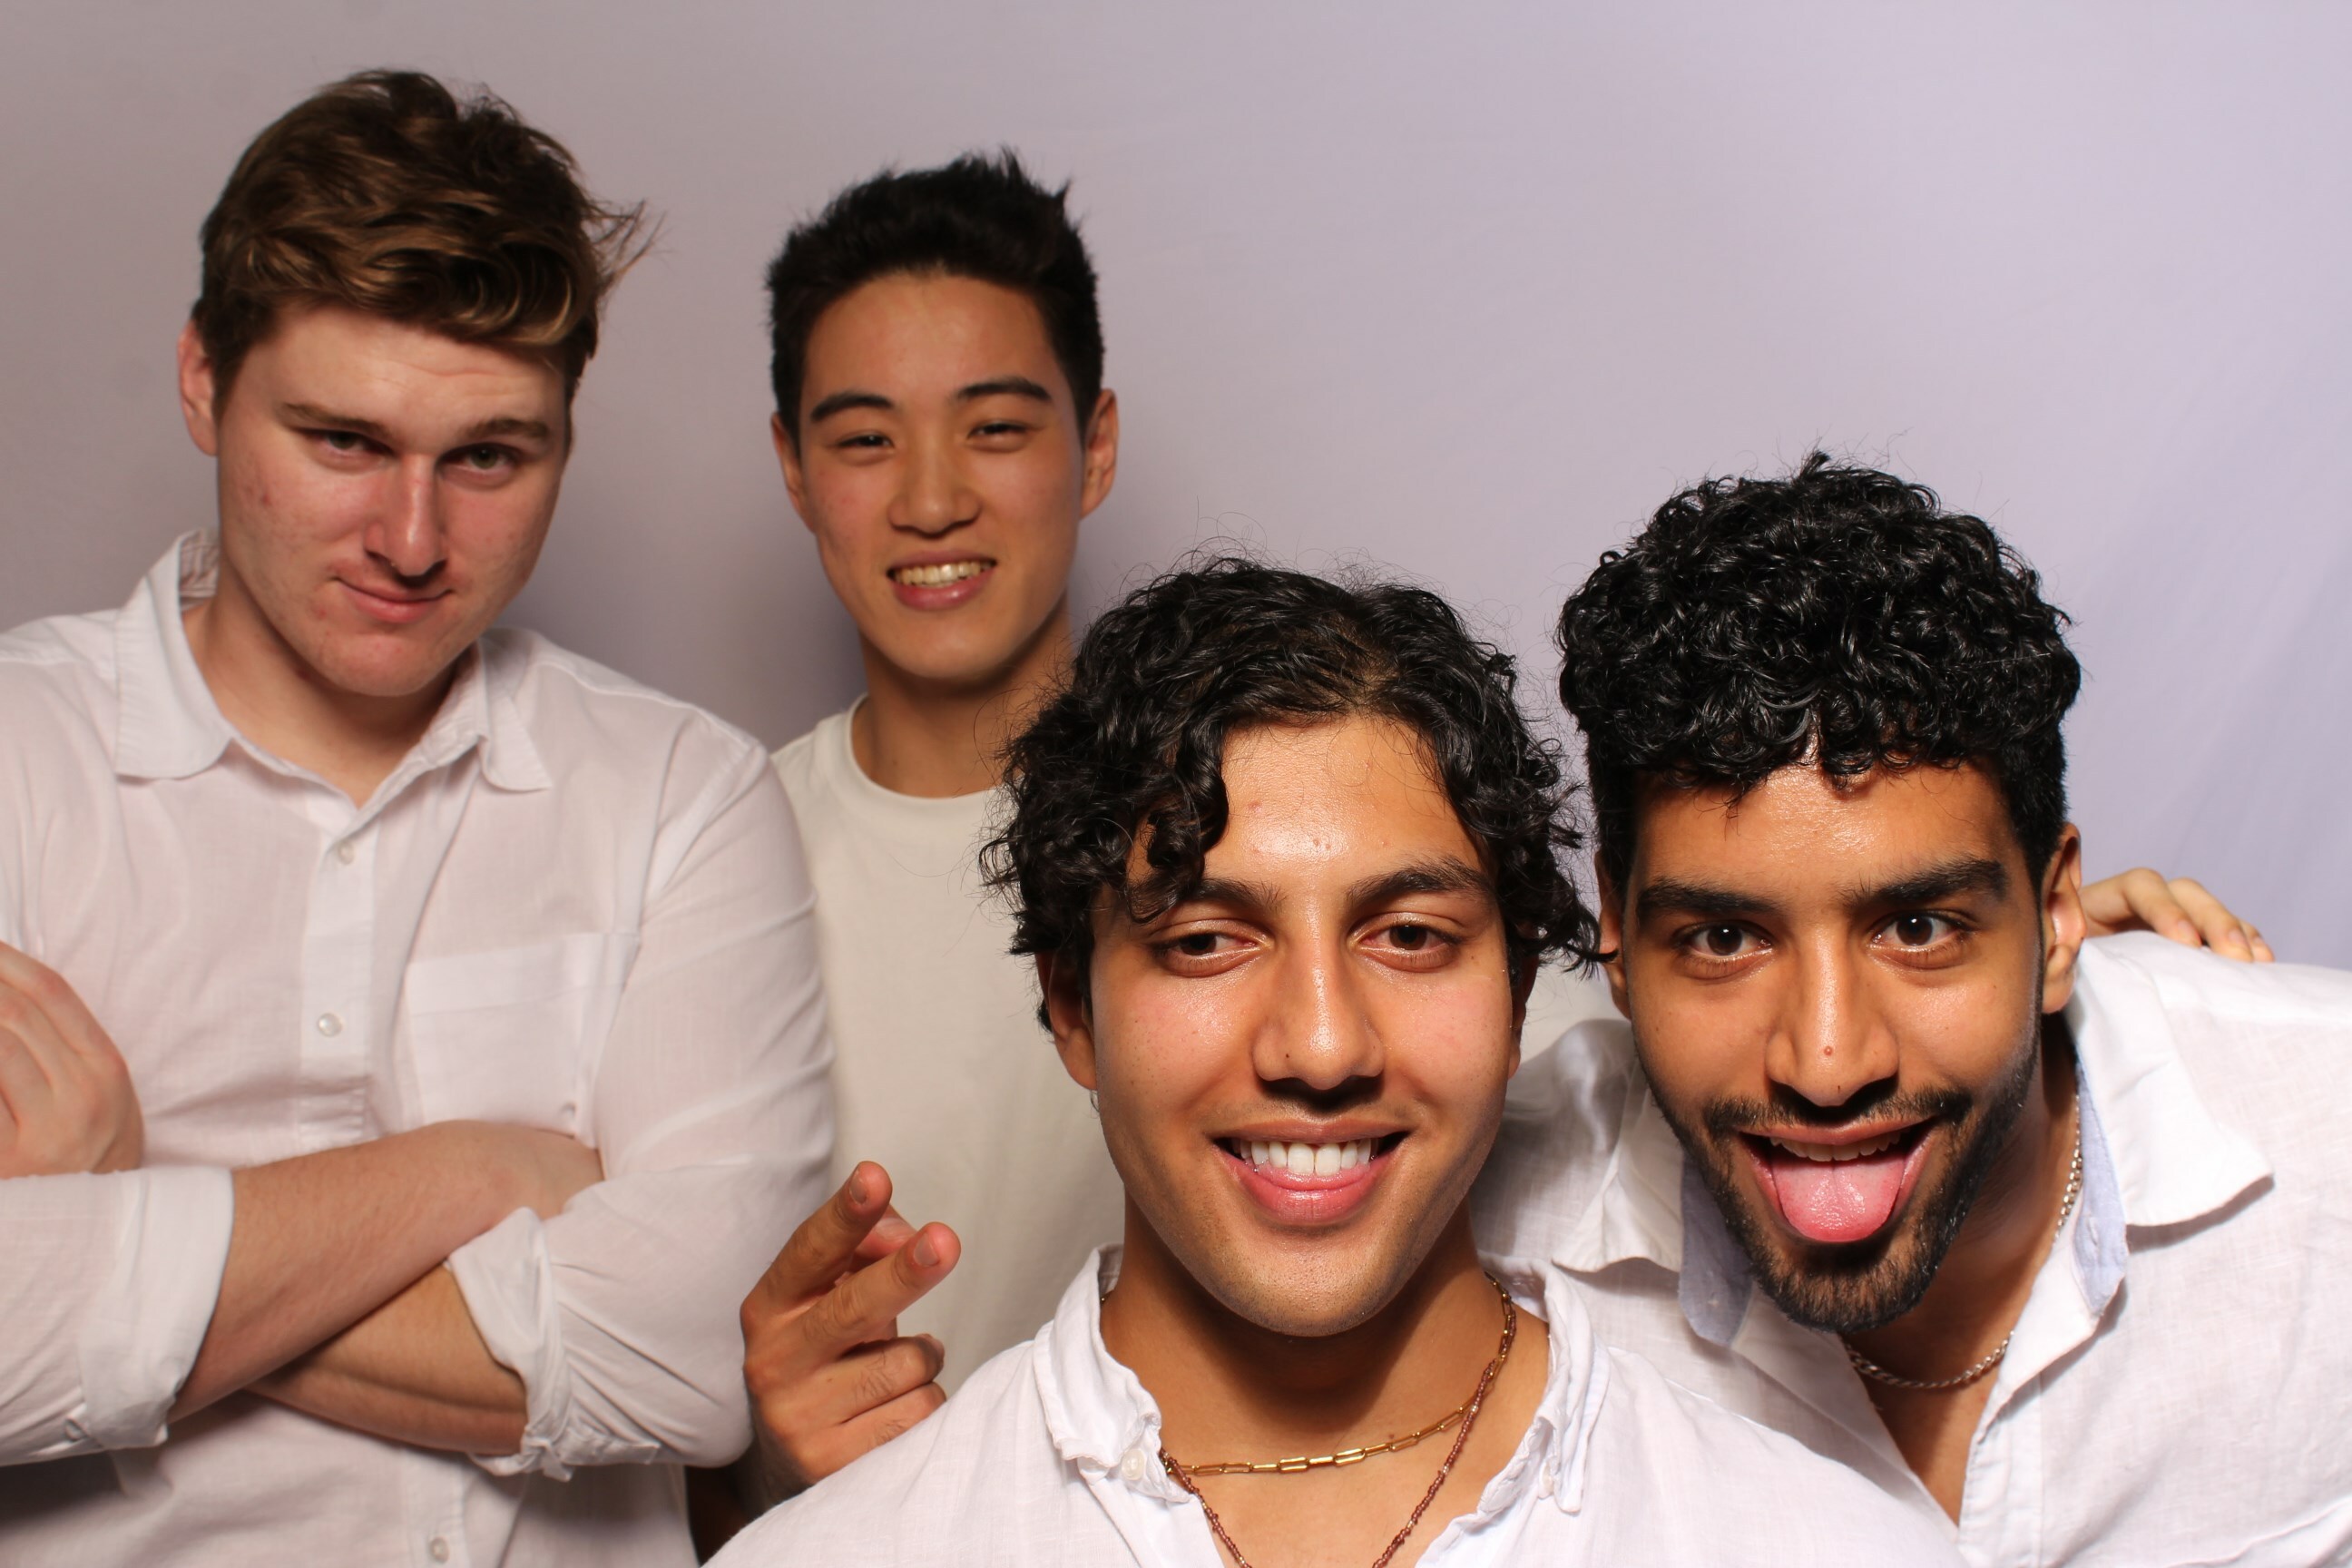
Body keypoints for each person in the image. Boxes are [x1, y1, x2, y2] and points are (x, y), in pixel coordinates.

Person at [712, 559, 1963, 1564]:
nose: (1320, 1046)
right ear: (1072, 1007)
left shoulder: (1825, 1545)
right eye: (1206, 941)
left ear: (1519, 992)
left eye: (1409, 937)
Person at [0, 72, 833, 1564]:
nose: (411, 538)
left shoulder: (679, 795)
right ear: (202, 380)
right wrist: (471, 1175)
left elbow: (694, 1364)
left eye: (488, 457)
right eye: (342, 441)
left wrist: (124, 1209)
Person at [1474, 454, 2352, 1561]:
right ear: (1616, 929)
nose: (1827, 1062)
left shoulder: (2327, 1146)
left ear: (2056, 916)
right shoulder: (1480, 1232)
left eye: (1920, 927)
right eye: (1725, 939)